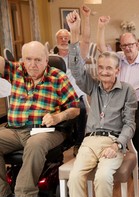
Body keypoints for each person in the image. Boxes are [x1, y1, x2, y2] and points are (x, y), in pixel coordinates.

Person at [66, 11, 137, 197]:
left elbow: (130, 124)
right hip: (90, 140)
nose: (105, 71)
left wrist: (118, 144)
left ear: (117, 71)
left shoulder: (127, 91)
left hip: (113, 141)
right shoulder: (92, 85)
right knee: (74, 177)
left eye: (110, 68)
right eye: (102, 67)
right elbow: (75, 67)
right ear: (98, 69)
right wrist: (74, 35)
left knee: (104, 176)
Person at [0, 41, 80, 197]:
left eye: (38, 59)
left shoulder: (57, 77)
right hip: (15, 130)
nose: (33, 64)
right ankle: (3, 196)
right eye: (28, 59)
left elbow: (75, 108)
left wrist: (58, 117)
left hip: (48, 131)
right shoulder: (16, 71)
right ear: (22, 60)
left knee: (35, 144)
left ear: (46, 60)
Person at [97, 16, 139, 178]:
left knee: (136, 128)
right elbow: (102, 48)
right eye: (124, 46)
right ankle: (110, 159)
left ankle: (137, 162)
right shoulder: (119, 60)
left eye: (130, 45)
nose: (128, 49)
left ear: (137, 45)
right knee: (104, 125)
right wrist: (101, 27)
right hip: (118, 102)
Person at [54, 5, 92, 156]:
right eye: (60, 38)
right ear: (55, 40)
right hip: (56, 96)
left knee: (81, 110)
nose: (63, 40)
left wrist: (86, 18)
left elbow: (86, 40)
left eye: (66, 38)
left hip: (75, 95)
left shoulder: (77, 55)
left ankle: (79, 142)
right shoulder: (51, 58)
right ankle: (59, 141)